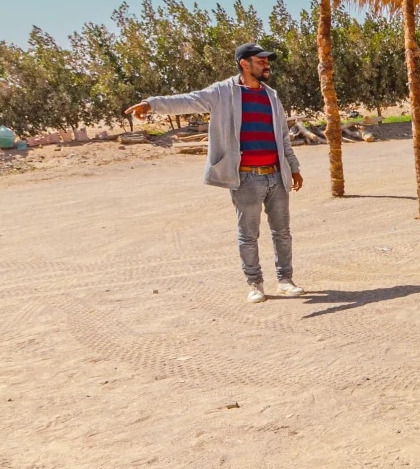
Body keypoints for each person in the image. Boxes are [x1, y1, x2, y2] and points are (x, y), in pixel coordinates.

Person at [128, 42, 304, 303]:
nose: (266, 64)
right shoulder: (223, 92)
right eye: (261, 60)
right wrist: (152, 104)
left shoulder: (271, 95)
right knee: (248, 234)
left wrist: (294, 167)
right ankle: (255, 284)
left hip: (276, 175)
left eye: (267, 61)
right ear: (244, 64)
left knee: (282, 232)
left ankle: (285, 280)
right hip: (245, 177)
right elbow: (188, 100)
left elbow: (283, 137)